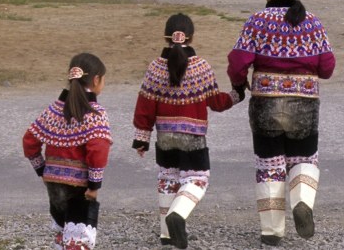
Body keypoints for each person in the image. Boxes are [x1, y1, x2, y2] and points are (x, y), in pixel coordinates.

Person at [228, 0, 335, 247]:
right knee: (304, 159)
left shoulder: (257, 21)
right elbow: (327, 68)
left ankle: (272, 231)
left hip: (265, 104)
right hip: (304, 105)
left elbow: (238, 62)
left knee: (269, 166)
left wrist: (238, 84)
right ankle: (302, 202)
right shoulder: (313, 22)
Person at [133, 13, 243, 248]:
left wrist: (141, 139)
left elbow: (145, 106)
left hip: (164, 137)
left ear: (165, 36)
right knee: (197, 178)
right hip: (193, 137)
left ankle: (167, 234)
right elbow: (216, 102)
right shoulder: (201, 67)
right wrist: (237, 95)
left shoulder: (155, 68)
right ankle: (178, 214)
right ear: (191, 37)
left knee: (168, 178)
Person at [23, 53, 113, 250]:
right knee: (79, 239)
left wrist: (42, 171)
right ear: (96, 80)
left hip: (53, 184)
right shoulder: (95, 114)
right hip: (79, 186)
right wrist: (94, 185)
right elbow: (98, 151)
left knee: (62, 230)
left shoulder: (53, 110)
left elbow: (29, 141)